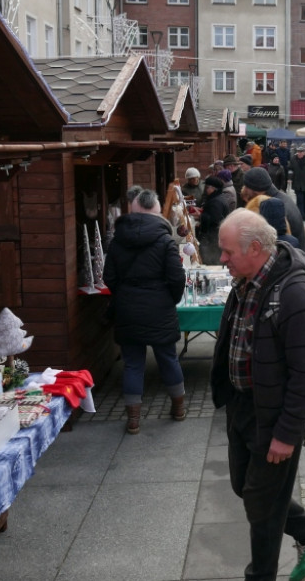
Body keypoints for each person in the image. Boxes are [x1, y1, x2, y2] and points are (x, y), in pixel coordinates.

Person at [210, 209, 305, 581]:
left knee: (262, 508)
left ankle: (260, 576)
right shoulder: (246, 280)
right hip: (243, 408)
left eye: (228, 251)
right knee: (244, 487)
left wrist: (286, 434)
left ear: (255, 248)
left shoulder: (294, 294)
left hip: (275, 417)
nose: (222, 259)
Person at [102, 189, 187, 434]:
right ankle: (179, 409)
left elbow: (109, 277)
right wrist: (169, 299)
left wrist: (125, 294)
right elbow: (176, 277)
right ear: (157, 210)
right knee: (168, 357)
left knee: (132, 363)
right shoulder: (165, 240)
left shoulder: (118, 240)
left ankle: (133, 419)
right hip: (160, 307)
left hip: (128, 309)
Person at [240, 165, 305, 263]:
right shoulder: (279, 200)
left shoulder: (275, 209)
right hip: (297, 266)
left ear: (255, 189)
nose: (244, 189)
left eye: (246, 187)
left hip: (291, 269)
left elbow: (274, 248)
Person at [192, 176, 231, 265]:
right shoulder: (217, 198)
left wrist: (201, 216)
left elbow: (214, 220)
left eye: (207, 187)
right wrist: (203, 211)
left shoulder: (216, 201)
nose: (205, 189)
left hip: (213, 238)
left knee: (212, 262)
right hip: (214, 237)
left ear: (214, 189)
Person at [288, 145, 305, 221]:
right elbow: (290, 169)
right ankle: (300, 215)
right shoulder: (293, 159)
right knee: (299, 200)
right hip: (297, 183)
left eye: (301, 152)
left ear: (304, 153)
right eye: (298, 152)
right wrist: (290, 178)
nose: (299, 153)